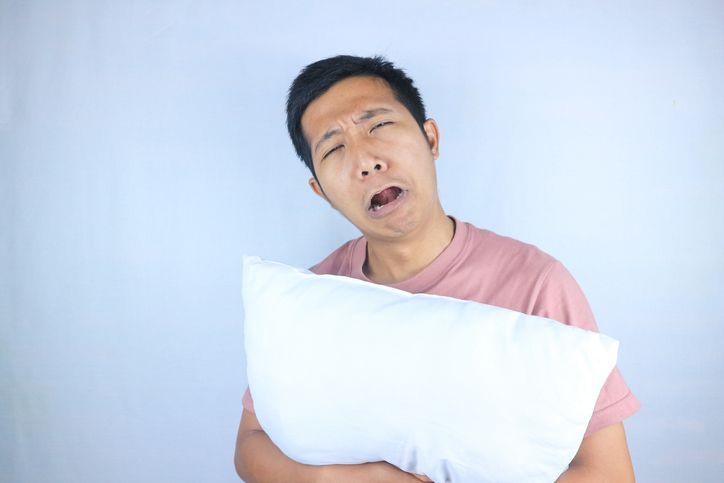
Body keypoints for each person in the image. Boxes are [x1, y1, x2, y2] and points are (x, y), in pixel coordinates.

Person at [234, 55, 640, 482]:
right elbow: (250, 445)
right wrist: (349, 479)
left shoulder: (536, 283)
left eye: (379, 125)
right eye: (334, 148)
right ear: (321, 192)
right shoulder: (308, 297)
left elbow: (610, 472)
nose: (366, 161)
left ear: (430, 138)